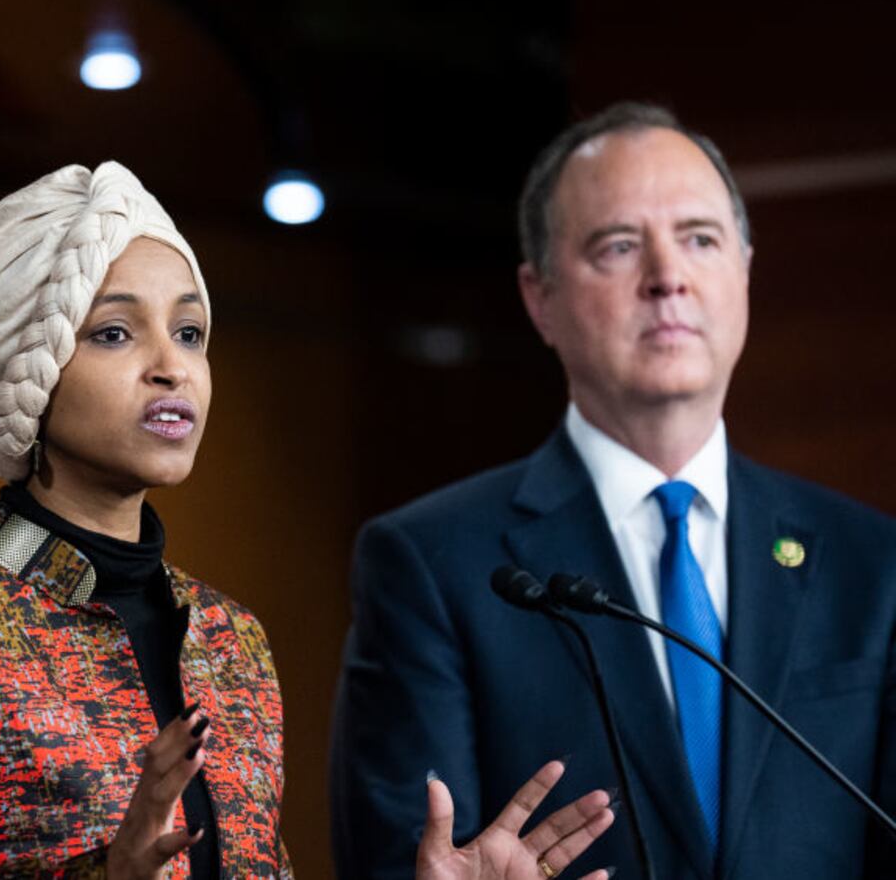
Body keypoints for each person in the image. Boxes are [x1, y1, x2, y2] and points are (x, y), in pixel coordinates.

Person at [0, 162, 614, 878]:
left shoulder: (231, 640)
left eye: (190, 332)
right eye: (116, 333)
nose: (172, 366)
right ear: (26, 370)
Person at [330, 101, 896, 879]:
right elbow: (400, 860)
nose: (668, 279)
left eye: (700, 239)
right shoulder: (431, 564)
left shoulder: (873, 562)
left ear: (744, 270)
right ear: (540, 300)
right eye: (620, 247)